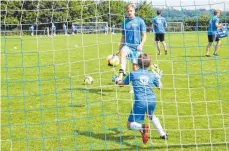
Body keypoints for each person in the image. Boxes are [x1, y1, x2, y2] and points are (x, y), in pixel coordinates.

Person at [116, 53, 166, 144]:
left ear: (138, 64)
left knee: (129, 124)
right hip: (152, 100)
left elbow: (122, 84)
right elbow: (160, 87)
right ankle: (163, 134)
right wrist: (158, 78)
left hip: (140, 102)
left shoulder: (133, 74)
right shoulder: (152, 74)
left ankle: (142, 128)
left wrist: (117, 80)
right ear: (150, 64)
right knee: (151, 116)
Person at [115, 3, 146, 82]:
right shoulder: (124, 23)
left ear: (134, 11)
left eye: (131, 11)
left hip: (136, 47)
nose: (129, 12)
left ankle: (133, 86)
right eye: (128, 11)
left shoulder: (140, 21)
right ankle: (121, 75)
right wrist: (119, 49)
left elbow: (144, 35)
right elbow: (123, 37)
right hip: (127, 46)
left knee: (135, 67)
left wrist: (141, 44)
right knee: (122, 52)